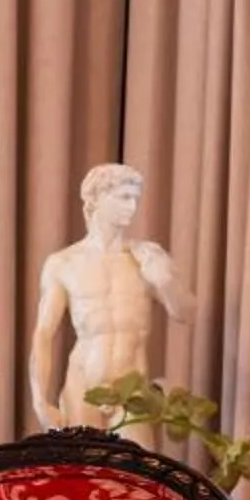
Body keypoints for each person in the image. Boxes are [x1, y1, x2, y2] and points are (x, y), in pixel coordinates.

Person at [27, 163, 194, 428]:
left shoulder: (146, 257)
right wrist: (39, 400)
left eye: (135, 199)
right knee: (85, 468)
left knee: (137, 467)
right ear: (96, 200)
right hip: (83, 388)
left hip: (133, 393)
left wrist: (164, 280)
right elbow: (44, 334)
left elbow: (186, 313)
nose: (132, 206)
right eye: (123, 197)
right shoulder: (64, 263)